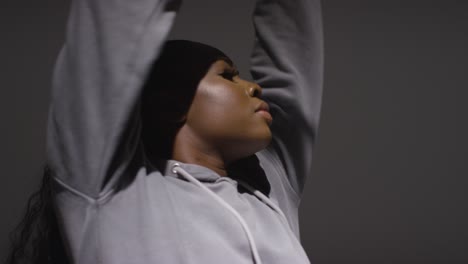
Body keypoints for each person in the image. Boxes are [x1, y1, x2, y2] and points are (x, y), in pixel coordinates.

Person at [6, 0, 323, 263]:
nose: (253, 87)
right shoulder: (113, 194)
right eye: (227, 76)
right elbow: (115, 26)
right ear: (171, 103)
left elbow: (294, 40)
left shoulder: (269, 190)